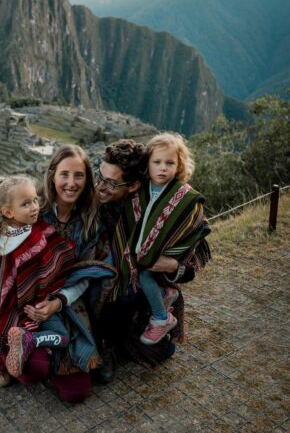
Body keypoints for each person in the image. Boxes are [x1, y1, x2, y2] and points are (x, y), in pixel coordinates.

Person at [94, 138, 210, 376]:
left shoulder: (153, 202)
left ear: (133, 185)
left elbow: (197, 249)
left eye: (111, 183)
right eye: (99, 176)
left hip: (142, 287)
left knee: (163, 353)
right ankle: (103, 341)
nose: (100, 187)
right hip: (104, 290)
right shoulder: (94, 205)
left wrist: (174, 265)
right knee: (108, 285)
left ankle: (138, 328)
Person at [22, 145, 117, 402]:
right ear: (52, 175)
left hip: (68, 298)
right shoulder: (33, 212)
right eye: (64, 174)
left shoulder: (90, 219)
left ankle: (61, 353)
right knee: (34, 369)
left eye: (79, 175)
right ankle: (26, 349)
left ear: (87, 179)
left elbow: (85, 273)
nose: (71, 183)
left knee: (76, 393)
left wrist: (59, 301)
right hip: (28, 296)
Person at [0, 175, 76, 387]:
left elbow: (60, 257)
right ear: (8, 212)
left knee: (61, 340)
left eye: (35, 200)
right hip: (15, 311)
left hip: (41, 306)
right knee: (61, 337)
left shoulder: (40, 230)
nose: (34, 207)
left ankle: (27, 341)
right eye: (26, 204)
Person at [132, 133, 210, 345]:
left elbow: (191, 229)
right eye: (157, 162)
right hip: (140, 254)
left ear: (179, 166)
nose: (163, 167)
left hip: (161, 258)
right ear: (147, 164)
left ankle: (161, 318)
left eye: (169, 163)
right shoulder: (139, 191)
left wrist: (174, 262)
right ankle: (165, 293)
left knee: (146, 275)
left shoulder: (186, 197)